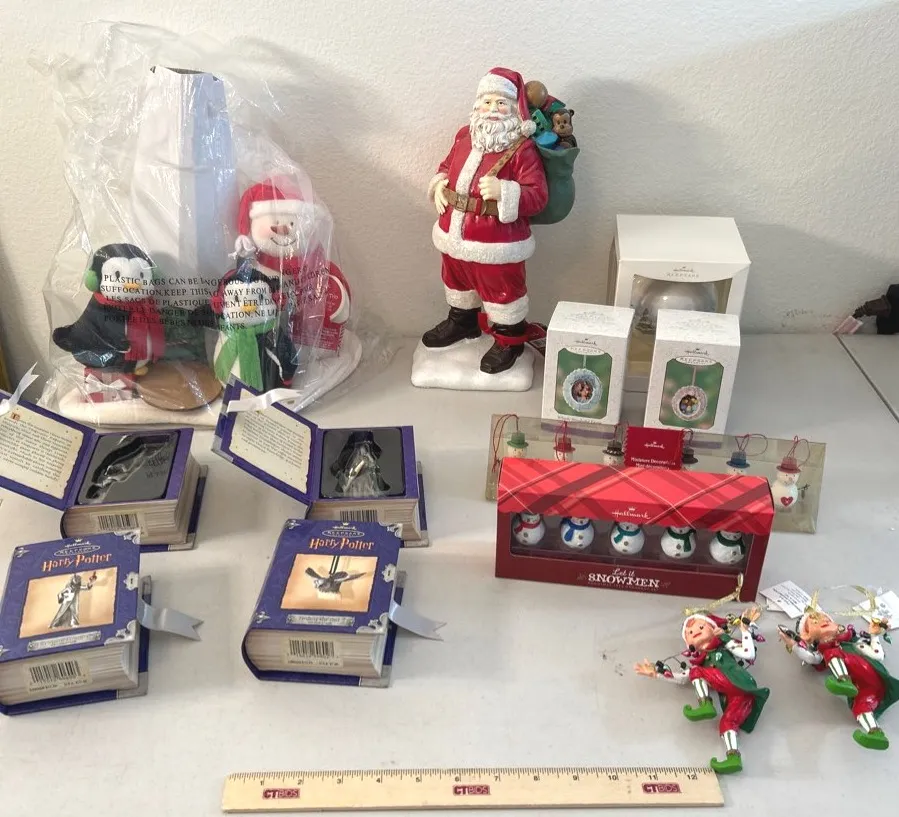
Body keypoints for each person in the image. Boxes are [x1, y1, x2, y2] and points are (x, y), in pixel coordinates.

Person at [423, 67, 549, 375]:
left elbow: (538, 196)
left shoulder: (522, 149)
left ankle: (509, 339)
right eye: (488, 102)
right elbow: (446, 165)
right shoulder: (464, 137)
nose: (492, 109)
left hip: (497, 240)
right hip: (453, 233)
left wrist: (506, 191)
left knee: (503, 290)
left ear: (514, 109)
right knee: (457, 278)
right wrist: (439, 185)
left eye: (501, 103)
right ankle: (462, 321)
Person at [634, 607, 768, 774]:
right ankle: (734, 758)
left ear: (714, 628)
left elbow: (748, 654)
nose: (695, 632)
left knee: (696, 671)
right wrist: (657, 674)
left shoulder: (724, 645)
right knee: (727, 723)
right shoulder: (701, 663)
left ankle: (705, 704)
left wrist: (744, 631)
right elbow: (682, 677)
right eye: (689, 632)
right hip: (741, 697)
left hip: (740, 683)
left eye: (701, 627)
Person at [779, 610, 899, 750]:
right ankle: (875, 733)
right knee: (860, 707)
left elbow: (878, 656)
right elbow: (811, 658)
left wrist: (874, 635)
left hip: (872, 672)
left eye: (825, 618)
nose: (823, 620)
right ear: (806, 635)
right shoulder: (822, 651)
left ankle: (843, 680)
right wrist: (794, 645)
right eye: (815, 621)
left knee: (831, 652)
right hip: (869, 690)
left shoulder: (850, 643)